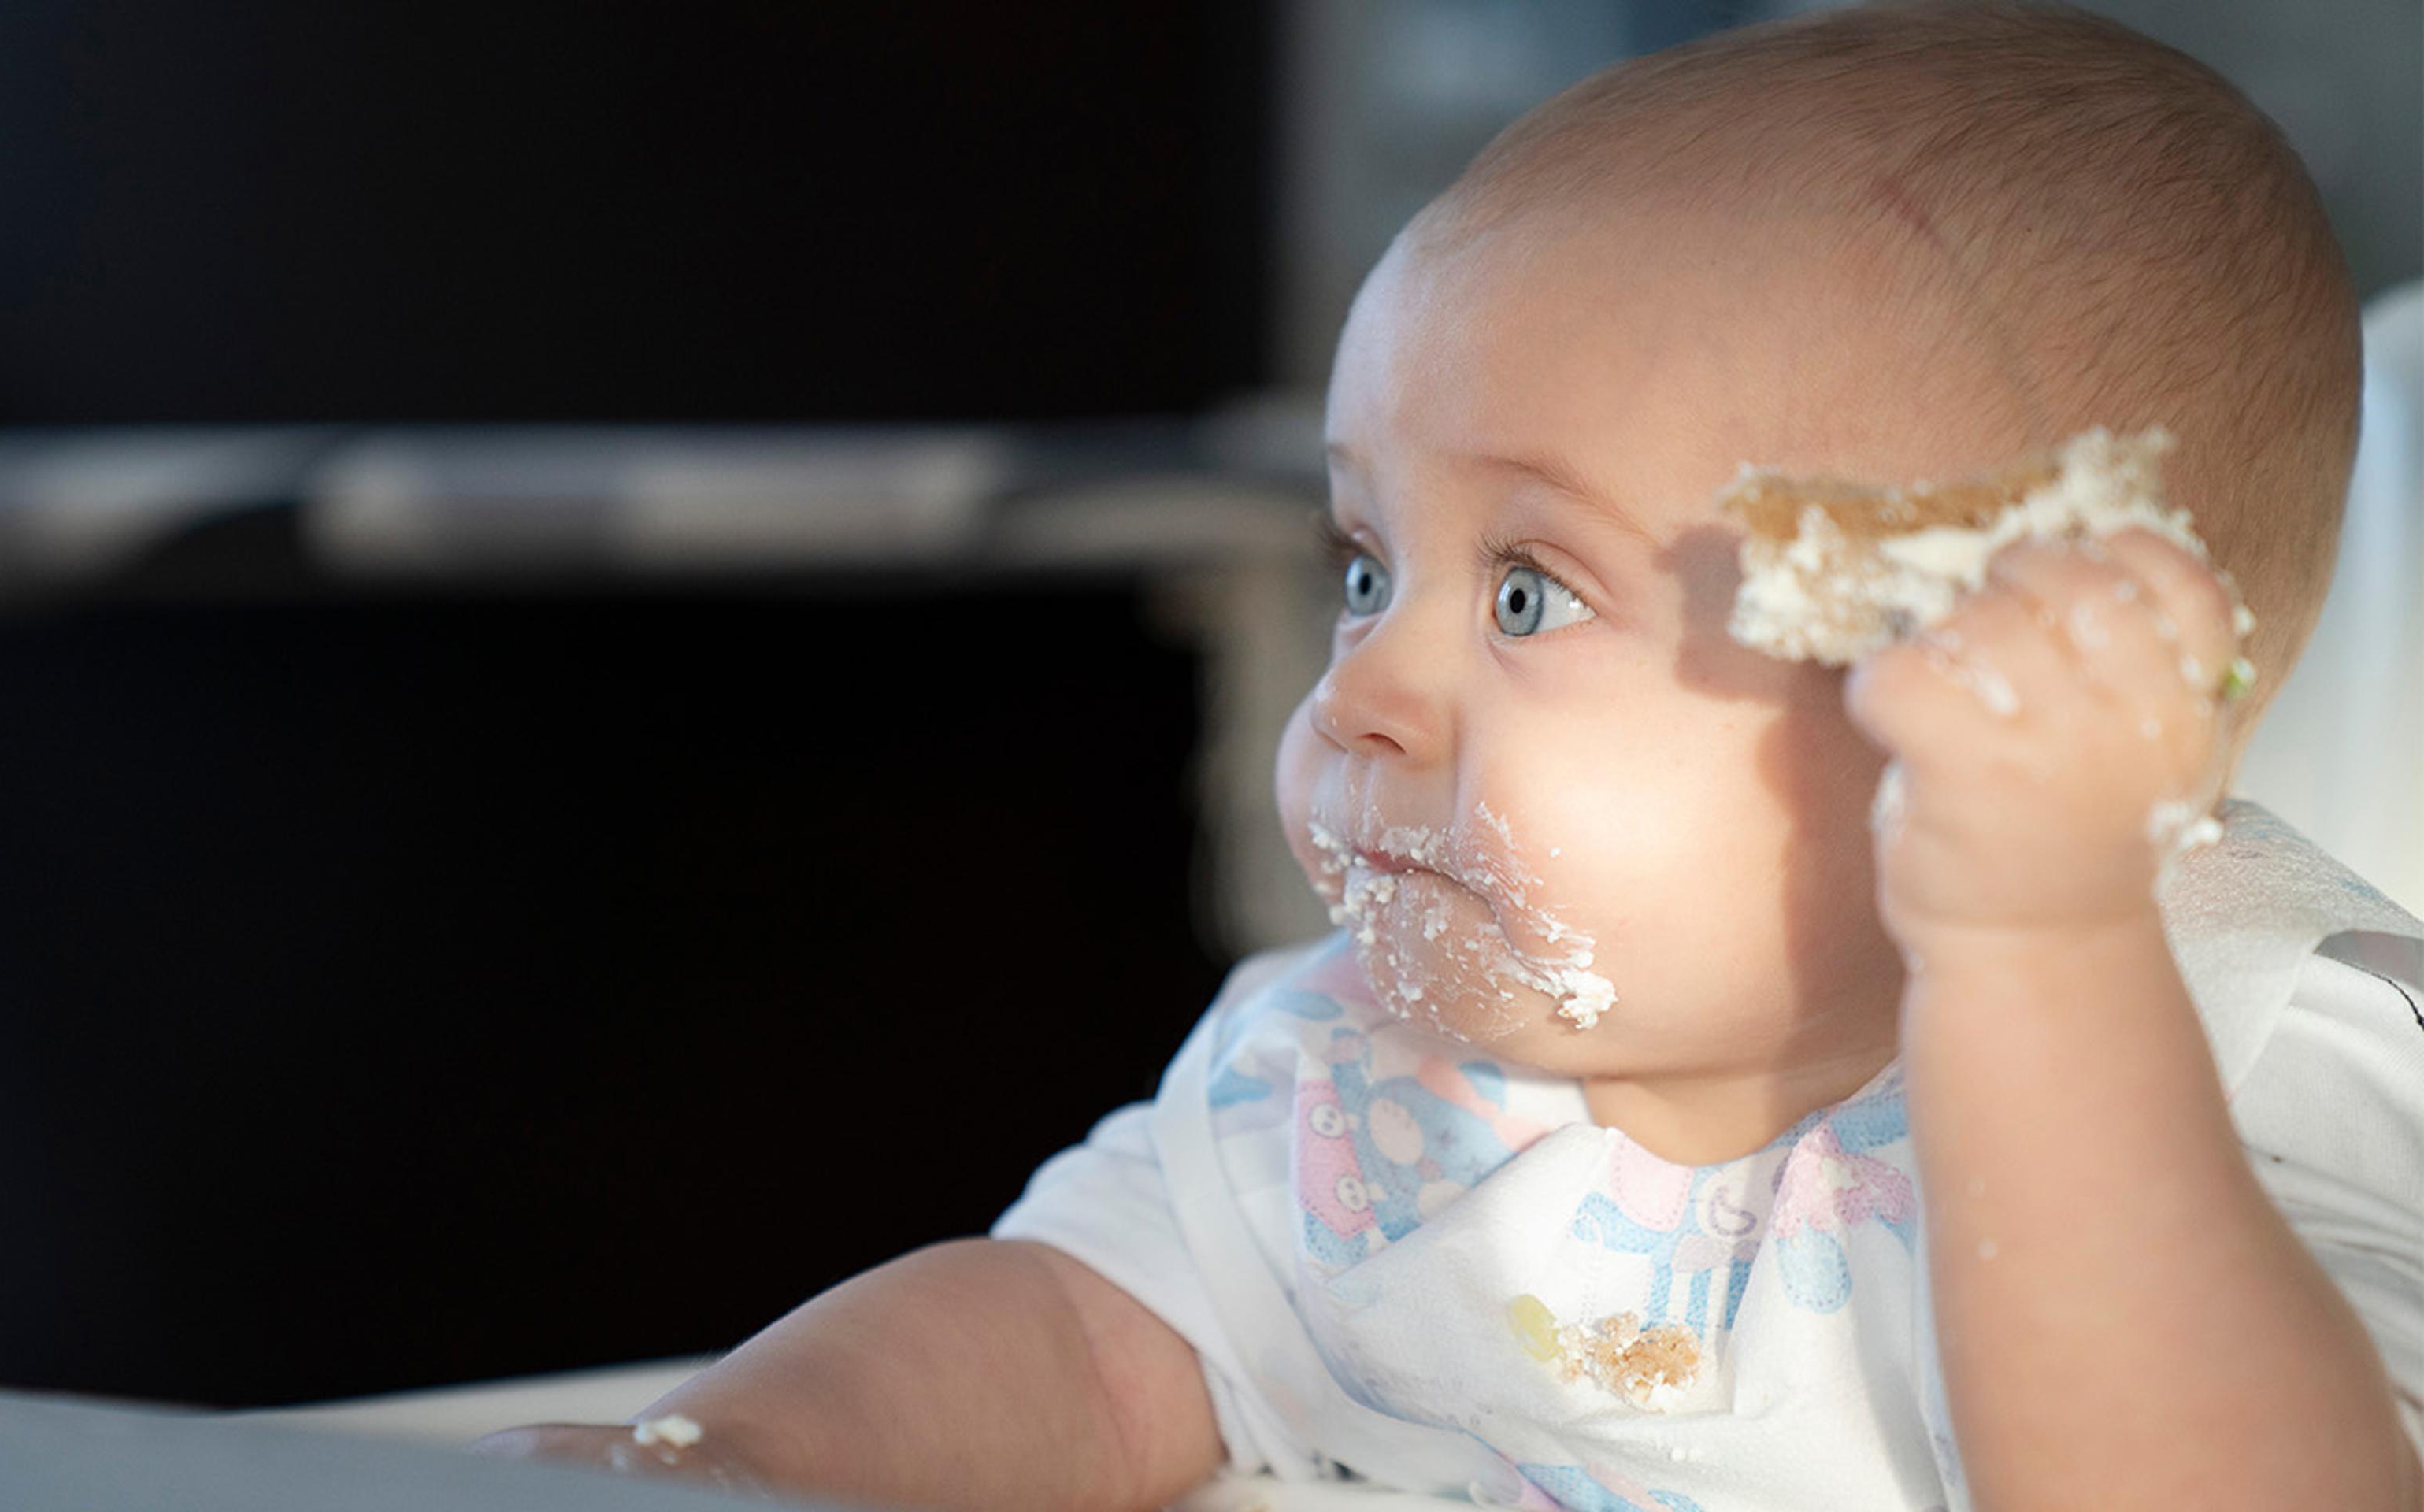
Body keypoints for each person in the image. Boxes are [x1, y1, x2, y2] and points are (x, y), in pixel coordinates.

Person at [480, 5, 2424, 1506]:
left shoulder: (2255, 1056)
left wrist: (2044, 961)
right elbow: (1075, 1338)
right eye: (1362, 562)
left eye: (1523, 594)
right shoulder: (1372, 1089)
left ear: (1974, 652)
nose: (1362, 698)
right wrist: (734, 1461)